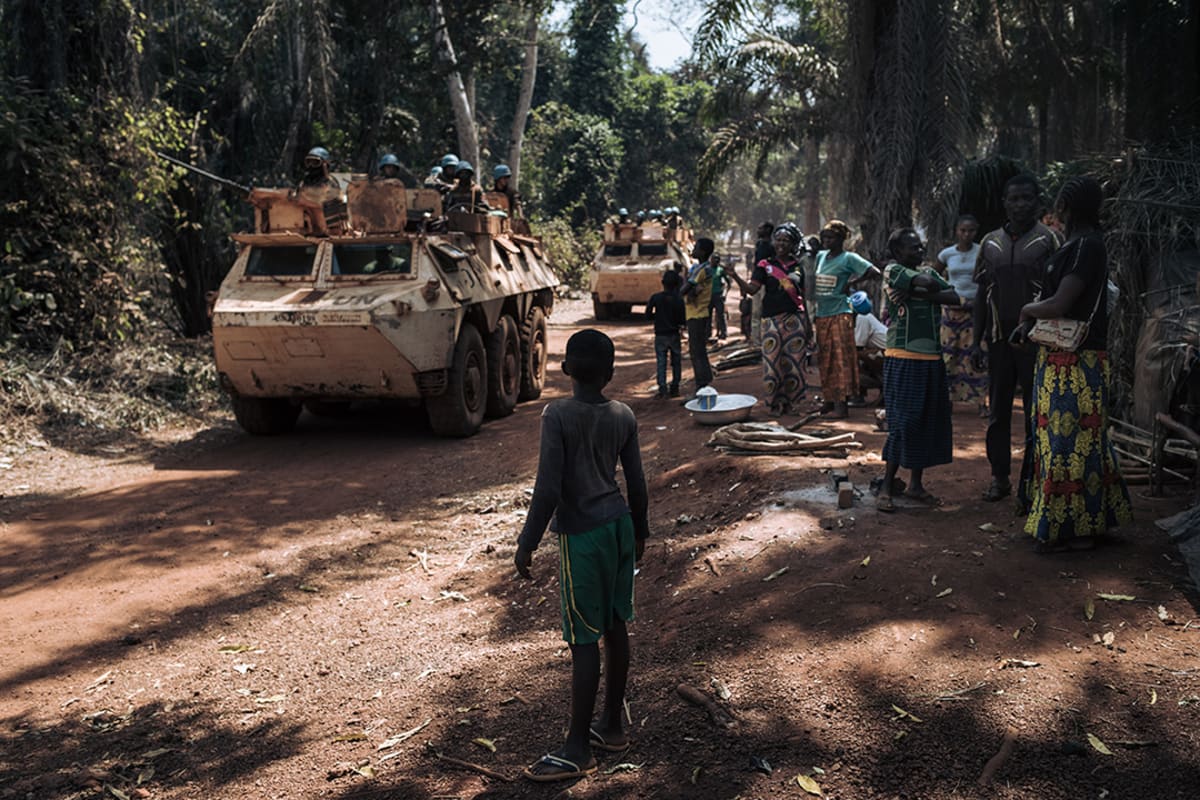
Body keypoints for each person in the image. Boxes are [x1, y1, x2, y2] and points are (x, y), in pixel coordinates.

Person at [514, 329, 649, 782]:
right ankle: (611, 726)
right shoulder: (623, 415)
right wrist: (641, 531)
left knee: (583, 638)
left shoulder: (557, 415)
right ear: (610, 374)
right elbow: (637, 482)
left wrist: (527, 540)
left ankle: (577, 748)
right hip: (619, 527)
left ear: (566, 369)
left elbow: (549, 487)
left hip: (583, 535)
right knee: (615, 624)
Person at [1014, 176, 1132, 552]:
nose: (1056, 211)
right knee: (1075, 442)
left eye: (1060, 204)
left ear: (1068, 206)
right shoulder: (1079, 245)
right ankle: (1088, 523)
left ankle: (1071, 529)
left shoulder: (1086, 247)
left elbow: (1060, 304)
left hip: (1075, 363)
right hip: (1063, 358)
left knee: (1068, 443)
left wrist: (1026, 310)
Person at [971, 174, 1060, 508]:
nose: (1020, 204)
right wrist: (976, 340)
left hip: (1037, 340)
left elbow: (1060, 293)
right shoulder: (989, 243)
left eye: (1026, 198)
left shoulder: (1050, 240)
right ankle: (999, 478)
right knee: (998, 413)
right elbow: (982, 293)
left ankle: (1033, 483)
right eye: (1014, 198)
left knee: (1037, 413)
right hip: (998, 340)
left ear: (1037, 201)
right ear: (1005, 203)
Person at [877, 228, 959, 512]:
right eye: (913, 247)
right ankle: (886, 486)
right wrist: (926, 287)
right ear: (898, 252)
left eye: (921, 246)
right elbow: (930, 283)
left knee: (927, 420)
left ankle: (915, 485)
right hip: (903, 355)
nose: (920, 251)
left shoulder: (918, 272)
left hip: (931, 358)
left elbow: (954, 297)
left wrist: (918, 292)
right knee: (903, 422)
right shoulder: (892, 270)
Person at [727, 223, 811, 416]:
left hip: (795, 319)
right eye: (778, 240)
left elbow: (802, 296)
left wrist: (808, 323)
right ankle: (774, 403)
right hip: (771, 320)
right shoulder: (765, 265)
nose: (781, 244)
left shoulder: (798, 266)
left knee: (794, 363)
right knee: (772, 363)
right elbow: (752, 290)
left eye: (786, 240)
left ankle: (791, 403)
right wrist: (735, 277)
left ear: (793, 244)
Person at [813, 220, 879, 419]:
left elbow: (874, 272)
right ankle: (829, 400)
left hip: (840, 314)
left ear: (841, 239)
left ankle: (842, 407)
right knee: (825, 358)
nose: (826, 241)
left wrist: (852, 282)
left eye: (831, 237)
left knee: (840, 359)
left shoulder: (849, 258)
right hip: (822, 314)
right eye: (824, 237)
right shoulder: (821, 257)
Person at [937, 215, 987, 416]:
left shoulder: (981, 252)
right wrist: (945, 293)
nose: (967, 234)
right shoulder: (947, 254)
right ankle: (946, 400)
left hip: (976, 310)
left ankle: (982, 402)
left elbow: (987, 279)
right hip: (951, 310)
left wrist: (980, 302)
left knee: (977, 353)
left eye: (971, 230)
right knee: (949, 355)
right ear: (957, 231)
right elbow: (934, 275)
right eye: (963, 230)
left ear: (976, 232)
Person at [681, 238, 717, 394]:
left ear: (702, 251)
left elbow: (685, 288)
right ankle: (705, 378)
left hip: (696, 313)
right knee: (699, 349)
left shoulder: (700, 270)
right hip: (700, 312)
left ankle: (701, 385)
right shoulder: (704, 268)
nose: (693, 250)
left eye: (695, 247)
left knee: (696, 351)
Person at [645, 270, 686, 398]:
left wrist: (658, 317)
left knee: (661, 362)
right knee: (676, 362)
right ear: (677, 285)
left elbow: (647, 315)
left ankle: (662, 388)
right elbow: (682, 320)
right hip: (674, 334)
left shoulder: (656, 298)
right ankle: (675, 387)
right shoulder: (679, 300)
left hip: (660, 334)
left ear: (663, 283)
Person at [850, 290, 887, 405]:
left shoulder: (862, 318)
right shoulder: (867, 317)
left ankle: (858, 395)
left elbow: (858, 347)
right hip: (886, 351)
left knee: (852, 358)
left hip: (887, 353)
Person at [709, 255, 732, 340]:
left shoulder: (720, 270)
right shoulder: (706, 270)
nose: (715, 261)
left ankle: (723, 333)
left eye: (717, 260)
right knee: (708, 316)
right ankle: (708, 334)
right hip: (708, 296)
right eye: (714, 259)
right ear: (710, 260)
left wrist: (725, 294)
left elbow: (728, 283)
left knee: (721, 315)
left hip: (718, 295)